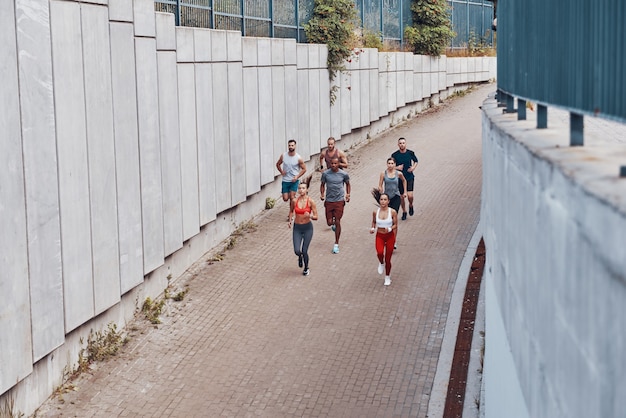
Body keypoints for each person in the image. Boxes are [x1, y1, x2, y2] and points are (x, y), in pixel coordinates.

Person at [320, 157, 350, 254]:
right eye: (332, 163)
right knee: (329, 222)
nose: (333, 165)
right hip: (329, 200)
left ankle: (336, 243)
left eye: (335, 163)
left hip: (339, 201)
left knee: (337, 221)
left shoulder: (343, 174)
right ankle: (332, 224)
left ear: (339, 164)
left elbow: (348, 184)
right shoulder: (326, 174)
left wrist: (348, 194)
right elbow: (322, 184)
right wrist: (322, 194)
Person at [288, 176, 318, 276]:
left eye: (303, 188)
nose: (301, 190)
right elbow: (291, 211)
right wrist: (290, 220)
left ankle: (306, 267)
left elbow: (316, 216)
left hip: (307, 228)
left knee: (304, 250)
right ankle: (299, 256)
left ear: (307, 189)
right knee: (297, 250)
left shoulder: (311, 202)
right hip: (297, 228)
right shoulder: (294, 201)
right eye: (300, 188)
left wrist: (310, 215)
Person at [377, 157, 407, 249]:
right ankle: (387, 238)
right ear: (387, 164)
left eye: (392, 163)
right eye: (389, 163)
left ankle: (393, 240)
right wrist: (380, 191)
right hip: (387, 198)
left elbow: (404, 181)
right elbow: (380, 184)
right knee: (387, 219)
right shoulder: (383, 173)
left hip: (396, 197)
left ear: (394, 164)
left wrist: (405, 192)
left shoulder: (399, 174)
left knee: (394, 219)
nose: (390, 165)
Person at [370, 193, 398, 286]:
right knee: (380, 252)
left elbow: (395, 224)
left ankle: (387, 277)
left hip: (389, 236)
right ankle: (381, 263)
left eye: (385, 199)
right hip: (380, 236)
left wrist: (390, 229)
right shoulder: (375, 212)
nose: (383, 201)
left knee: (388, 258)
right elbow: (374, 222)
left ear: (388, 201)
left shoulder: (392, 212)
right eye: (381, 199)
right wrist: (373, 228)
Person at [391, 137, 419, 220]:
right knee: (402, 197)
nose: (402, 145)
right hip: (399, 179)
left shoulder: (410, 153)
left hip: (409, 177)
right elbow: (391, 166)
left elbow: (416, 161)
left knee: (410, 195)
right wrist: (397, 167)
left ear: (405, 144)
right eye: (400, 143)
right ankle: (404, 211)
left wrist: (413, 167)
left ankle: (410, 205)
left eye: (403, 143)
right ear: (398, 144)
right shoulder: (395, 155)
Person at [276, 139, 307, 214]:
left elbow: (304, 169)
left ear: (295, 146)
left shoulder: (298, 158)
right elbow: (277, 164)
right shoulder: (284, 155)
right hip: (285, 180)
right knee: (285, 198)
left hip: (294, 181)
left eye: (292, 145)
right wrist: (281, 171)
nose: (290, 147)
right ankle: (293, 198)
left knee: (292, 198)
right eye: (289, 145)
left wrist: (297, 176)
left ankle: (291, 213)